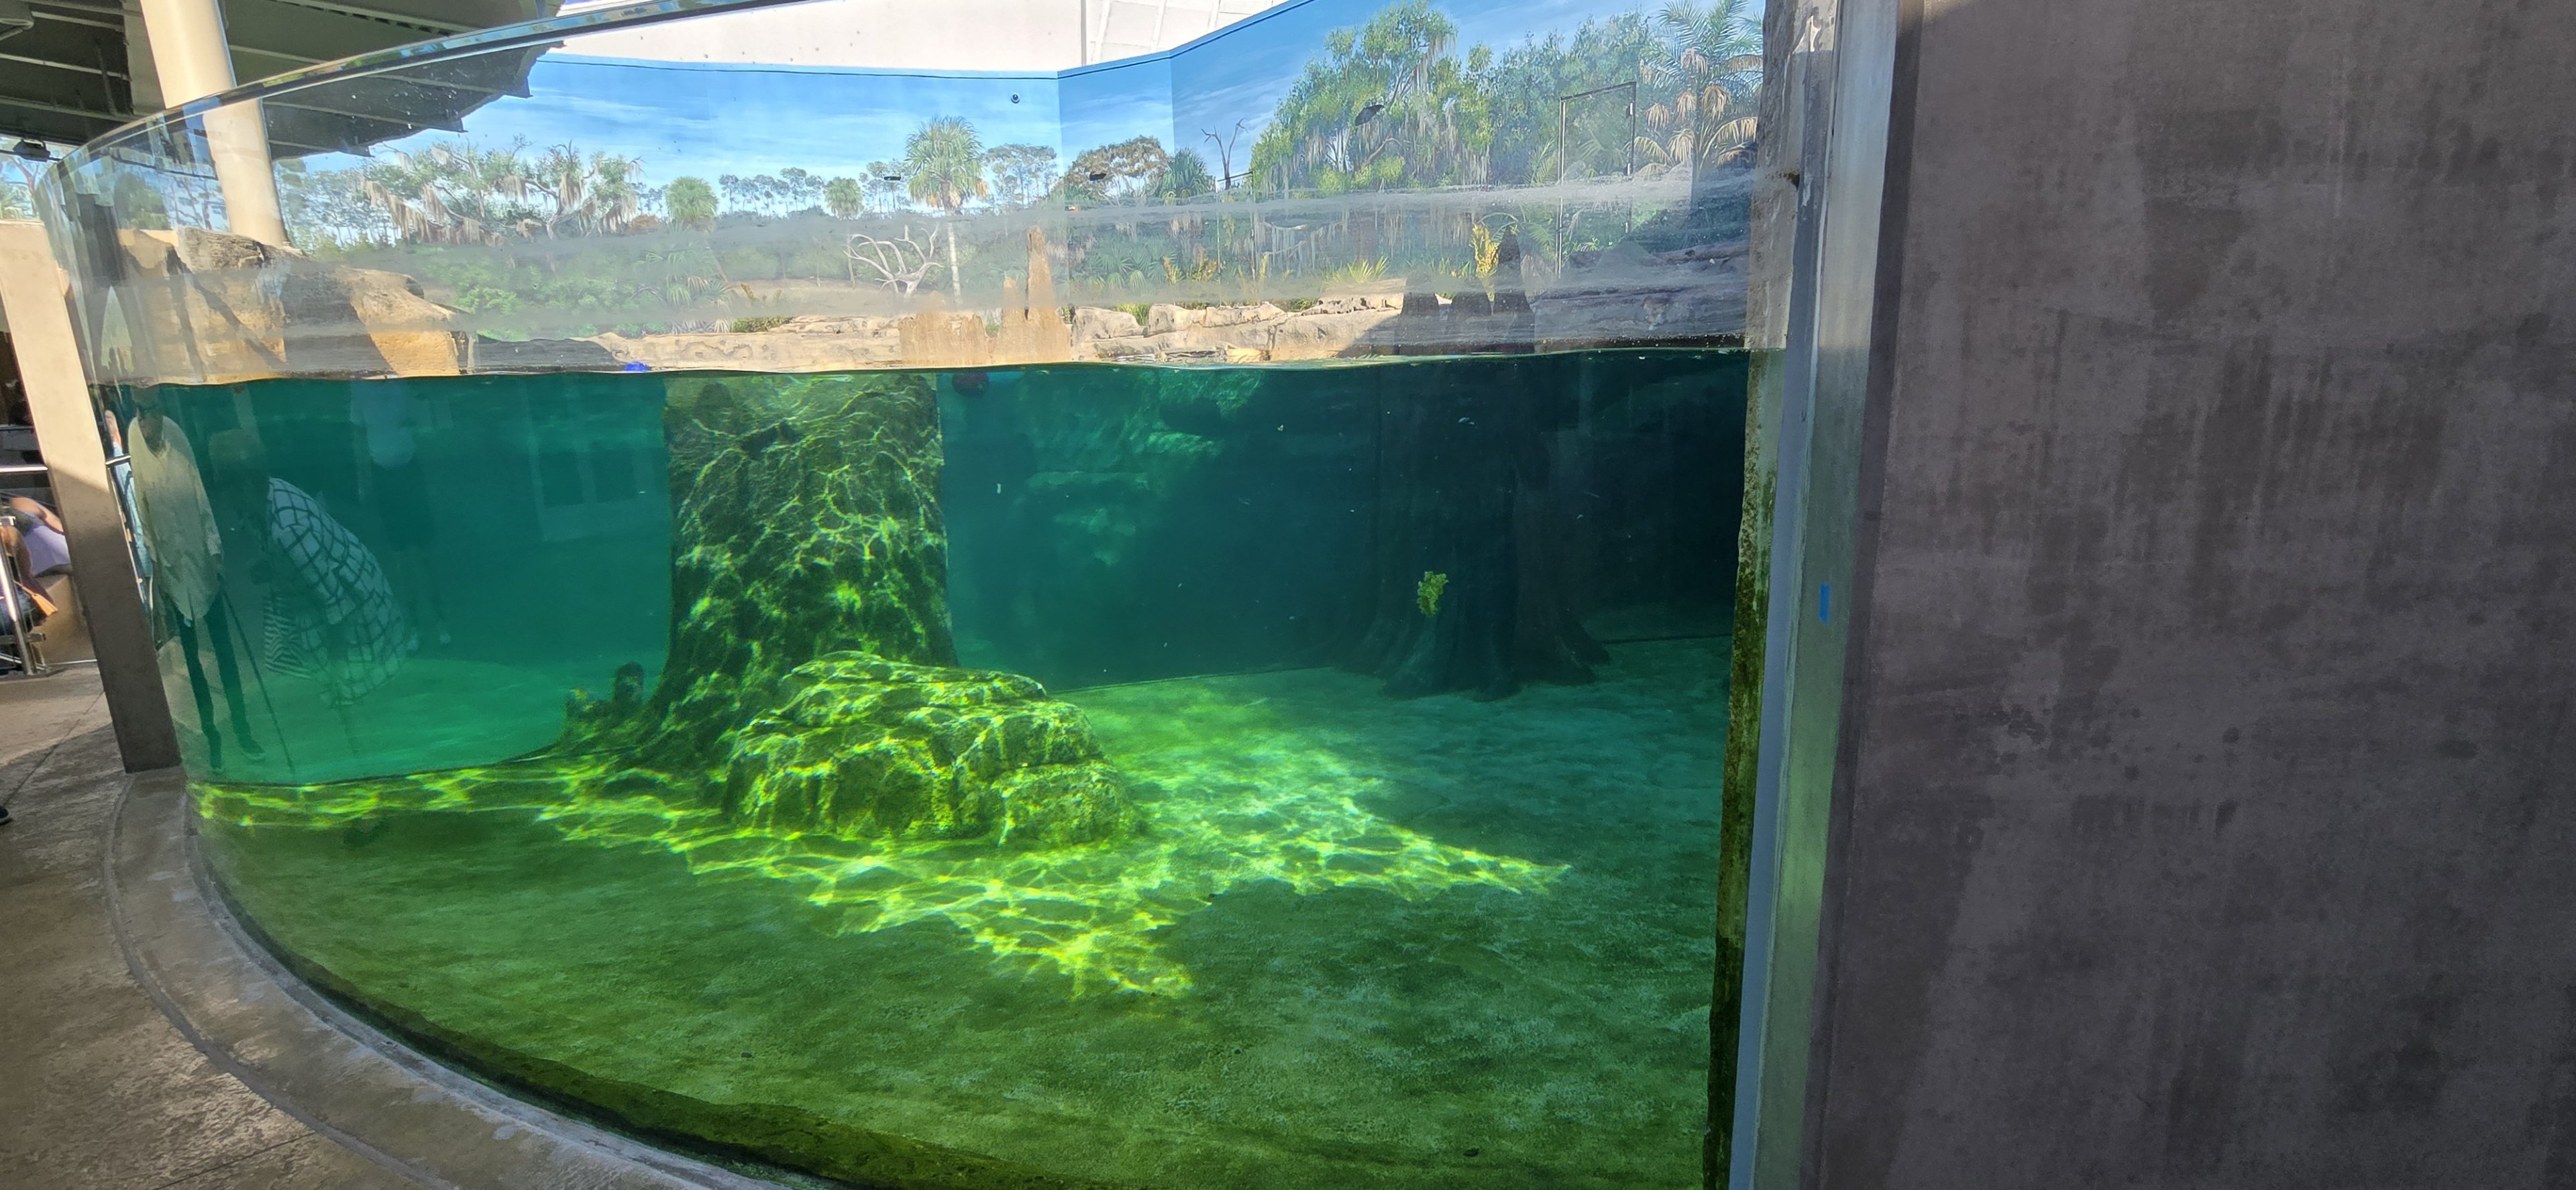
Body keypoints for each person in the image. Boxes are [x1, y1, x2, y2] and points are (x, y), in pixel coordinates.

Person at [205, 429, 415, 706]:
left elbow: (337, 608)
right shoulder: (269, 493)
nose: (219, 496)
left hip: (355, 611)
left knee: (360, 702)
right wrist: (270, 567)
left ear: (243, 486)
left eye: (222, 486)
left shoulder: (289, 531)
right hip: (333, 595)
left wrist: (336, 671)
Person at [125, 392, 264, 765]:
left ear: (161, 411)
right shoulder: (134, 438)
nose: (145, 421)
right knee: (191, 658)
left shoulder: (177, 435)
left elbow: (200, 497)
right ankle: (212, 738)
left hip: (201, 563)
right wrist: (155, 566)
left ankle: (243, 730)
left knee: (225, 653)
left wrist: (215, 553)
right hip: (171, 571)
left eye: (151, 412)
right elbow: (142, 509)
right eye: (140, 412)